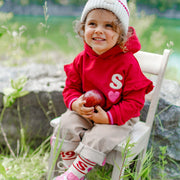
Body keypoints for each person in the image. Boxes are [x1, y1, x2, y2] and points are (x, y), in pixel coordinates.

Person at [52, 0, 153, 179]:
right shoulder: (81, 59)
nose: (98, 30)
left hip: (118, 118)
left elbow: (135, 102)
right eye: (92, 24)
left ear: (121, 33)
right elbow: (71, 88)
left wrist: (108, 117)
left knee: (101, 135)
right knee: (66, 123)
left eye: (108, 25)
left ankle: (73, 175)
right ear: (83, 29)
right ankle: (72, 170)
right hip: (87, 113)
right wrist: (76, 104)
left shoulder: (128, 63)